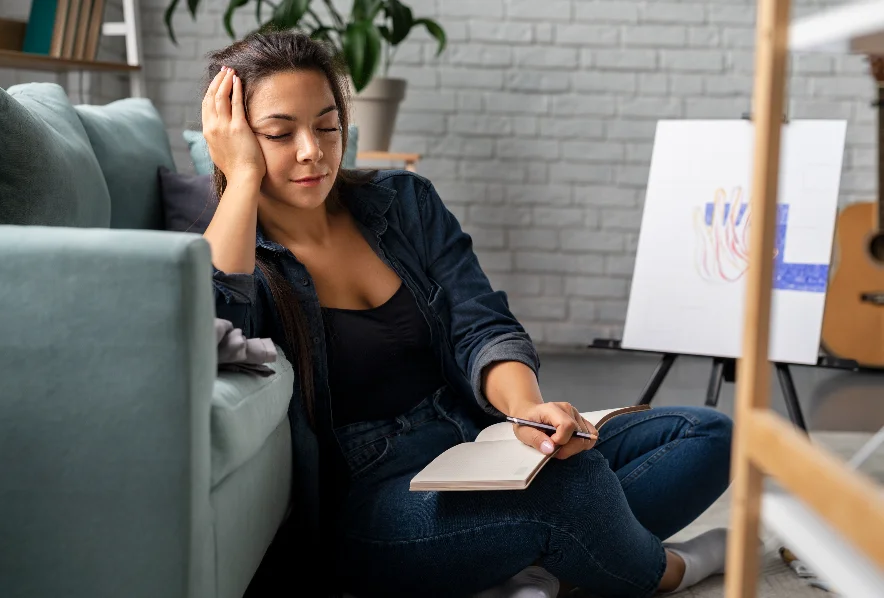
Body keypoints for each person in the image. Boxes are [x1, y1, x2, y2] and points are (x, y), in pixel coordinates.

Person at [203, 29, 734, 598]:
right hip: (379, 504)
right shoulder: (239, 254)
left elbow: (481, 324)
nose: (312, 150)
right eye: (280, 134)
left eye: (328, 126)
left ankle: (529, 559)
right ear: (236, 140)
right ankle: (669, 571)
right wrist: (241, 180)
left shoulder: (403, 202)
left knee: (707, 433)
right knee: (572, 487)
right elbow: (215, 327)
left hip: (476, 443)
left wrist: (528, 413)